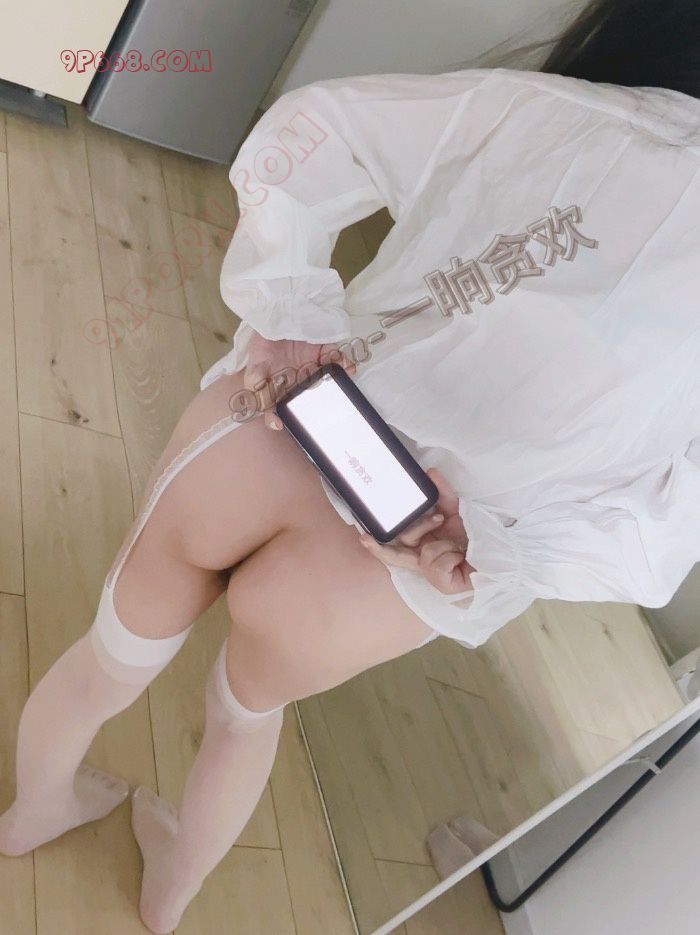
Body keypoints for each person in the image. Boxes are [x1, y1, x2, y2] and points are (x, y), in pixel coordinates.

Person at [1, 0, 699, 931]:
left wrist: (292, 315)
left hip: (284, 422)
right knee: (244, 721)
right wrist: (493, 551)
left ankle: (33, 810)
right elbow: (664, 535)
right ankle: (168, 894)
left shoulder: (567, 114)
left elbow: (315, 129)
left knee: (108, 658)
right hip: (396, 566)